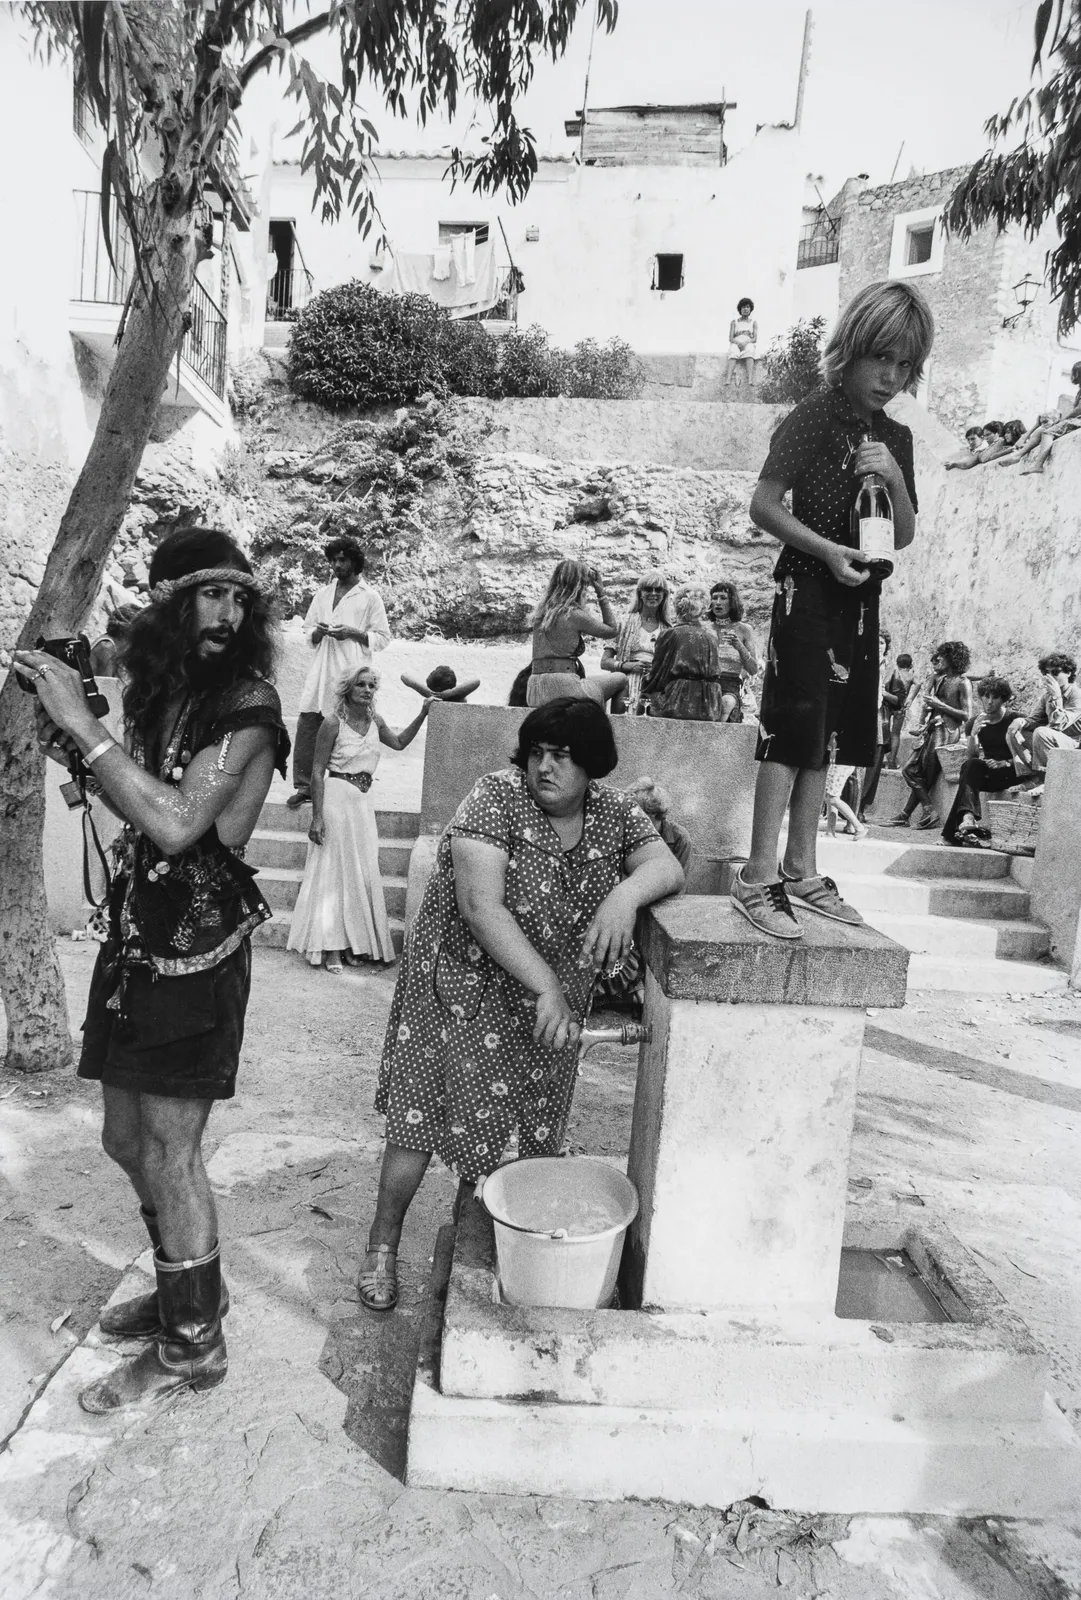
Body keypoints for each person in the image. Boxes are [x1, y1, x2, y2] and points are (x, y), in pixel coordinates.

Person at [15, 528, 289, 1411]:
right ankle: (187, 1282)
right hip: (139, 942)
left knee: (170, 1151)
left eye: (239, 597)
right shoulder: (168, 691)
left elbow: (177, 823)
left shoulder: (247, 705)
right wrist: (82, 746)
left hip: (196, 956)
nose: (227, 612)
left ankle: (192, 1344)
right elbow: (134, 795)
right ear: (169, 604)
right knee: (123, 1141)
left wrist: (84, 731)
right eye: (210, 594)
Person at [358, 698, 684, 1311]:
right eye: (536, 753)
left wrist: (624, 896)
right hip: (460, 990)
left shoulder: (615, 815)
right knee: (421, 1116)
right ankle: (382, 1246)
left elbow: (665, 866)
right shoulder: (494, 798)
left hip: (544, 1001)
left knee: (526, 1126)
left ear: (592, 765)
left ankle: (496, 1240)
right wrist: (548, 988)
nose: (544, 767)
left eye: (561, 756)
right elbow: (483, 909)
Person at [730, 278, 932, 938]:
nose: (889, 377)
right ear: (850, 350)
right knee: (790, 726)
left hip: (860, 597)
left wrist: (895, 477)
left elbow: (901, 534)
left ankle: (801, 868)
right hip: (808, 589)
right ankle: (756, 876)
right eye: (881, 359)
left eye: (904, 365)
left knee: (831, 733)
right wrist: (824, 552)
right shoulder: (813, 416)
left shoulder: (894, 436)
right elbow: (763, 505)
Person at [288, 668, 431, 972]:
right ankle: (332, 949)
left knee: (360, 873)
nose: (367, 690)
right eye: (360, 685)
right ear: (348, 689)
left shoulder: (375, 721)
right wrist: (316, 817)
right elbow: (316, 771)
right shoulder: (332, 723)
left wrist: (423, 714)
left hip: (363, 804)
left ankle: (354, 945)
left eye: (371, 685)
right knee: (336, 874)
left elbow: (401, 742)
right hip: (337, 800)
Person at [286, 536, 390, 809]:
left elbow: (382, 638)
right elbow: (307, 631)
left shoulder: (370, 597)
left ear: (355, 561)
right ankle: (304, 785)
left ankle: (338, 785)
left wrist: (354, 633)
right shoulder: (322, 594)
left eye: (342, 559)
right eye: (333, 560)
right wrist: (317, 633)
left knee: (343, 726)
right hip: (321, 669)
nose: (336, 565)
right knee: (310, 720)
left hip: (351, 670)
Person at [885, 642, 972, 829]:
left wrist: (939, 705)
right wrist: (926, 718)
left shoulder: (963, 682)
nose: (937, 660)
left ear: (952, 658)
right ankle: (917, 812)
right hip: (933, 730)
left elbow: (967, 715)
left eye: (941, 656)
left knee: (915, 771)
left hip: (947, 732)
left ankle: (923, 813)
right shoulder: (941, 679)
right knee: (913, 771)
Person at [941, 677, 1030, 846]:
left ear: (1004, 699)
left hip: (1014, 773)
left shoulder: (1016, 719)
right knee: (971, 766)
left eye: (995, 697)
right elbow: (971, 756)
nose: (989, 702)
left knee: (965, 782)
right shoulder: (975, 721)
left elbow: (1029, 755)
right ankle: (968, 818)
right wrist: (973, 735)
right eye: (985, 696)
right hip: (991, 774)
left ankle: (950, 835)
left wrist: (1006, 763)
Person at [527, 559, 626, 708]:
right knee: (621, 679)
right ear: (579, 587)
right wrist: (601, 593)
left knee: (592, 685)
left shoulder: (540, 614)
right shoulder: (573, 614)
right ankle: (617, 729)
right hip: (564, 688)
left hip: (535, 690)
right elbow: (612, 630)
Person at [641, 586, 725, 722]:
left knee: (645, 696)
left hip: (678, 700)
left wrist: (643, 684)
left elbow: (657, 675)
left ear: (677, 607)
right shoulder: (712, 636)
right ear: (703, 609)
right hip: (710, 704)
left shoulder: (670, 634)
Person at [601, 570, 673, 714]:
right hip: (625, 684)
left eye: (658, 590)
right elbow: (605, 662)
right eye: (648, 589)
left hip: (653, 687)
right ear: (640, 593)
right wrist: (629, 666)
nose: (653, 593)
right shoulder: (624, 621)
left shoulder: (668, 629)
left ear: (664, 595)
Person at [1006, 651, 1081, 778]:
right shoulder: (1047, 696)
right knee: (1013, 732)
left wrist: (1057, 697)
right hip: (1051, 742)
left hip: (1073, 745)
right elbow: (1034, 719)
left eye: (1055, 672)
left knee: (1041, 732)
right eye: (1047, 673)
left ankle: (1044, 780)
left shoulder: (1077, 695)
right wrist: (1021, 722)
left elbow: (1059, 725)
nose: (1051, 677)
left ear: (1068, 673)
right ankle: (1028, 777)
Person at [707, 580, 758, 722]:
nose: (717, 602)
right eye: (714, 597)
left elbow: (753, 670)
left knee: (726, 703)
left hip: (731, 686)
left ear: (732, 602)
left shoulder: (744, 630)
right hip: (706, 684)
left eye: (723, 598)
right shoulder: (705, 629)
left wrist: (739, 646)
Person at [624, 777, 692, 879]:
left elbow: (680, 881)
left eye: (637, 812)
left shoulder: (680, 838)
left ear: (653, 813)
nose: (631, 817)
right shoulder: (624, 833)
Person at [888, 651, 914, 767]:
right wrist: (910, 698)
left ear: (897, 663)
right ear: (911, 665)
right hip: (901, 708)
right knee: (895, 734)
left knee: (883, 731)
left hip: (888, 705)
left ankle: (882, 758)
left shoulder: (894, 672)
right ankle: (892, 762)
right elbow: (918, 684)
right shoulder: (910, 676)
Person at [401, 664, 480, 703]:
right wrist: (451, 692)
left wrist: (426, 690)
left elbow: (404, 676)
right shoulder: (457, 695)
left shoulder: (455, 697)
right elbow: (476, 681)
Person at [726, 297, 758, 389]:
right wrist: (738, 343)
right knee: (733, 352)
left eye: (747, 307)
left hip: (748, 342)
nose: (745, 309)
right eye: (743, 307)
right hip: (736, 342)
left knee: (750, 351)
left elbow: (755, 338)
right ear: (740, 309)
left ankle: (750, 378)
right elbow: (731, 338)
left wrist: (746, 342)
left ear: (750, 309)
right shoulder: (734, 322)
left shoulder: (753, 323)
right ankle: (728, 378)